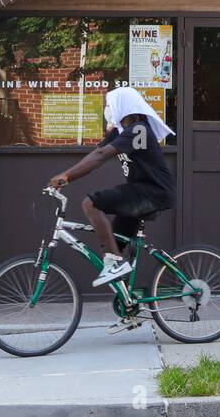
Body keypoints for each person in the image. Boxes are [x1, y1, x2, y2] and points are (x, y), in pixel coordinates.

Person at [49, 86, 175, 288]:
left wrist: (65, 177)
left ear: (123, 106)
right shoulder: (120, 131)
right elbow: (95, 154)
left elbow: (100, 156)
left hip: (153, 192)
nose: (107, 108)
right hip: (140, 192)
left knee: (91, 203)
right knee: (114, 244)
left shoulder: (139, 129)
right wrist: (69, 173)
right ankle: (129, 306)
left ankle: (115, 262)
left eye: (110, 104)